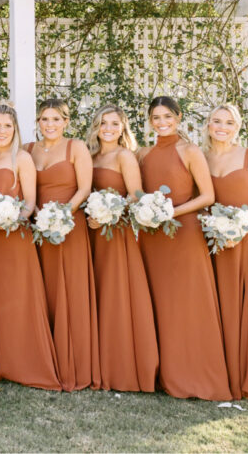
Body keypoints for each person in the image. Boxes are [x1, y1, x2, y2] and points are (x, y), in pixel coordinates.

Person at [137, 96, 231, 400]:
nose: (162, 123)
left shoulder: (190, 151)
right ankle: (164, 374)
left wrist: (170, 212)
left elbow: (207, 195)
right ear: (150, 121)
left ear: (178, 117)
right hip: (153, 239)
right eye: (156, 118)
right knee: (160, 304)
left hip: (184, 234)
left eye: (167, 117)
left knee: (188, 304)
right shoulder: (143, 153)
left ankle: (195, 375)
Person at [0, 102, 61, 391]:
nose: (1, 131)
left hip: (15, 238)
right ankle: (0, 362)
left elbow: (30, 202)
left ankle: (26, 362)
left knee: (19, 299)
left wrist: (13, 219)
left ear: (15, 129)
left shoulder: (22, 159)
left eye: (7, 125)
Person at [26, 98, 100, 391]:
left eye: (56, 119)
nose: (50, 125)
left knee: (69, 290)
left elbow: (84, 188)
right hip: (38, 227)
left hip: (69, 226)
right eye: (45, 119)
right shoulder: (28, 150)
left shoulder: (76, 148)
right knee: (44, 290)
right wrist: (37, 217)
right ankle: (45, 359)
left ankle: (74, 362)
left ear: (66, 122)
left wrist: (61, 215)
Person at [203, 103, 248, 399]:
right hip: (211, 240)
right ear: (209, 125)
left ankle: (246, 375)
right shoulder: (201, 158)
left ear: (238, 126)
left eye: (229, 122)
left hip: (246, 238)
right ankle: (219, 374)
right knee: (217, 306)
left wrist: (240, 230)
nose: (222, 127)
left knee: (246, 305)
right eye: (216, 121)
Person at [85, 104, 158, 392]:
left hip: (114, 233)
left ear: (123, 128)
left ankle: (121, 366)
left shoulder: (124, 155)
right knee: (95, 295)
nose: (108, 129)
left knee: (115, 295)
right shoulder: (89, 156)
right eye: (104, 123)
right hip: (89, 232)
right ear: (96, 126)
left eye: (115, 124)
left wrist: (109, 212)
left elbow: (136, 195)